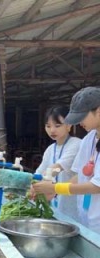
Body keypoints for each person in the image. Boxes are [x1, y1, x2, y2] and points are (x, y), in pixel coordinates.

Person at [33, 87, 100, 234]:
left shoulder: (75, 143)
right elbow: (80, 176)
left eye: (83, 116)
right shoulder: (88, 140)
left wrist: (55, 187)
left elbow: (97, 186)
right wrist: (53, 191)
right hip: (87, 218)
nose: (79, 122)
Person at [34, 106, 81, 220]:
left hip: (72, 205)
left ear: (69, 125)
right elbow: (39, 172)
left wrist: (43, 181)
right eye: (48, 126)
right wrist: (32, 183)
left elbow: (58, 167)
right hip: (55, 205)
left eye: (57, 126)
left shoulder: (77, 144)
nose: (52, 130)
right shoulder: (50, 149)